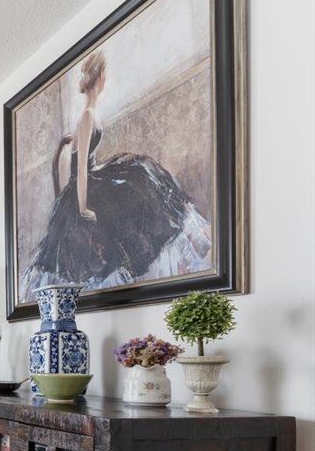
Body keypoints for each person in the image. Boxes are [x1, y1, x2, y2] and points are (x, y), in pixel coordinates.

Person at [22, 50, 211, 298]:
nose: (105, 79)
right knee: (137, 182)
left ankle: (186, 243)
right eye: (104, 74)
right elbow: (80, 169)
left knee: (140, 172)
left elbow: (86, 163)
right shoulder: (87, 116)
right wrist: (83, 207)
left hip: (90, 178)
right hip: (82, 189)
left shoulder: (90, 114)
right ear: (99, 77)